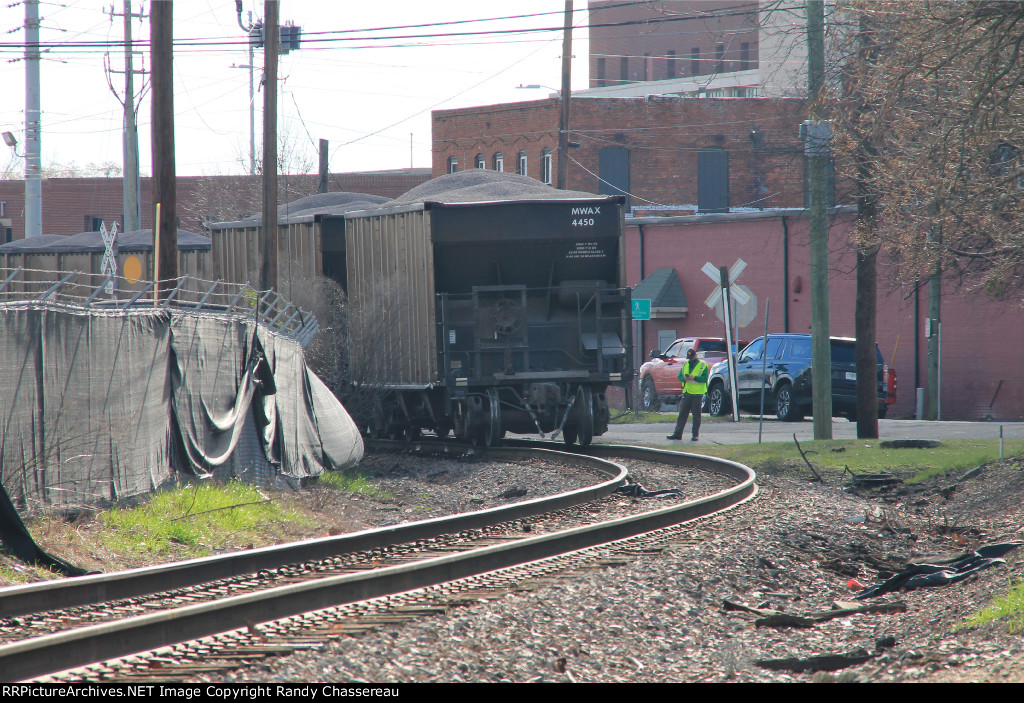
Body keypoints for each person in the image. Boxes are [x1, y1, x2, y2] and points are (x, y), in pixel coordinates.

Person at [667, 347, 709, 441]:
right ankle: (677, 434)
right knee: (682, 414)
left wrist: (694, 378)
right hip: (686, 393)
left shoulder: (703, 365)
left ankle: (695, 435)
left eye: (692, 357)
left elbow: (704, 379)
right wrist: (684, 378)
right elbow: (680, 376)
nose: (690, 359)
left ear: (696, 356)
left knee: (696, 415)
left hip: (697, 394)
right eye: (689, 358)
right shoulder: (685, 364)